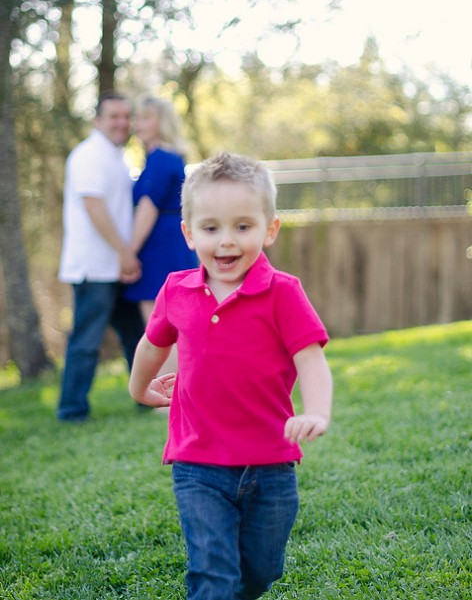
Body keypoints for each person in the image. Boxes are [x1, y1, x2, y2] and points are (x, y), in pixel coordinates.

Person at [129, 152, 333, 600]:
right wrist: (138, 387)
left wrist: (317, 411)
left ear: (270, 228)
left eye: (243, 226)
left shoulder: (283, 293)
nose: (226, 241)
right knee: (212, 574)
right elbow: (152, 344)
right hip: (197, 464)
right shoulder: (176, 290)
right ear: (188, 232)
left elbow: (311, 359)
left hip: (272, 464)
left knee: (259, 572)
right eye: (211, 227)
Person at [57, 91, 145, 422]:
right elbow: (93, 207)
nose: (122, 122)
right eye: (114, 116)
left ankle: (148, 399)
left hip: (117, 267)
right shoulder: (88, 155)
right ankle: (71, 410)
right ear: (98, 120)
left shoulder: (116, 157)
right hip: (95, 267)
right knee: (87, 341)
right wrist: (125, 252)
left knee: (136, 337)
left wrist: (126, 257)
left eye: (126, 116)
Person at [124, 95, 198, 323]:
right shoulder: (161, 158)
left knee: (161, 329)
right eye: (137, 119)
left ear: (162, 122)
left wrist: (128, 254)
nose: (138, 125)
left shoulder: (161, 159)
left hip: (161, 249)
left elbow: (148, 210)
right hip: (167, 244)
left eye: (146, 118)